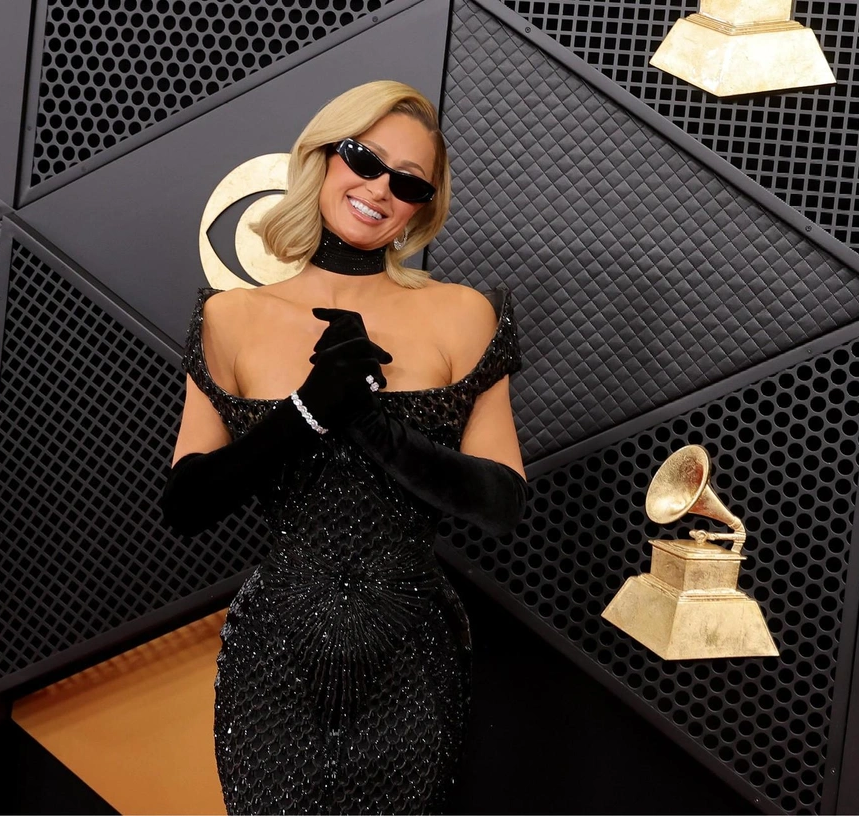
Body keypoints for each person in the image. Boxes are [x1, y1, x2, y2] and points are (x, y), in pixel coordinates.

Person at [161, 80, 527, 814]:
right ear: (324, 157)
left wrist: (370, 423)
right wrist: (306, 412)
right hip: (275, 658)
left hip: (412, 652)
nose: (380, 188)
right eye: (365, 158)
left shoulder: (462, 314)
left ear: (423, 207)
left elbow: (501, 503)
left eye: (409, 182)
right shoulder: (230, 317)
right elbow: (187, 504)